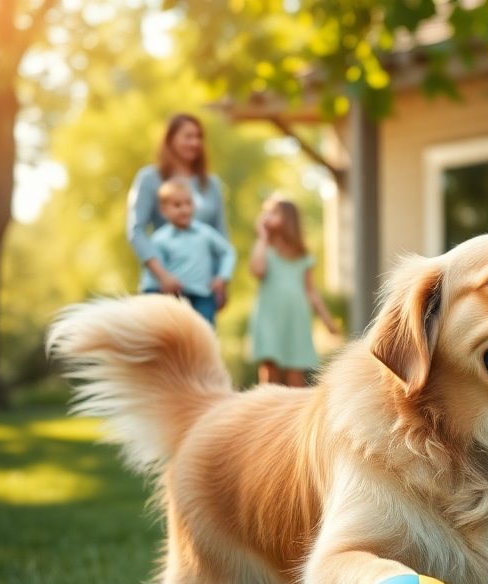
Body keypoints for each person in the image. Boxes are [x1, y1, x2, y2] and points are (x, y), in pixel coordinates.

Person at [127, 113, 231, 319]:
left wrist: (222, 280)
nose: (195, 142)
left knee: (199, 347)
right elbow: (136, 230)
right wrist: (162, 276)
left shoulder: (210, 184)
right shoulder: (150, 178)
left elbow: (221, 234)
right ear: (170, 139)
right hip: (164, 286)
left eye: (199, 137)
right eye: (188, 136)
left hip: (202, 289)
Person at [248, 195, 340, 387]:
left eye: (273, 212)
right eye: (266, 212)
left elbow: (311, 291)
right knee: (269, 368)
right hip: (270, 316)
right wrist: (262, 238)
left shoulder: (303, 255)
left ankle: (294, 415)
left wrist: (327, 321)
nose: (266, 216)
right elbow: (257, 270)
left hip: (296, 318)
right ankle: (265, 412)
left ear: (289, 218)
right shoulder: (265, 248)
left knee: (295, 371)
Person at [144, 179, 235, 325]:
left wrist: (222, 278)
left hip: (203, 296)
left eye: (189, 203)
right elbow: (152, 273)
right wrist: (161, 284)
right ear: (164, 210)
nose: (185, 209)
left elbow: (228, 252)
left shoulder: (204, 233)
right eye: (177, 205)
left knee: (204, 333)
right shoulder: (159, 239)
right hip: (173, 298)